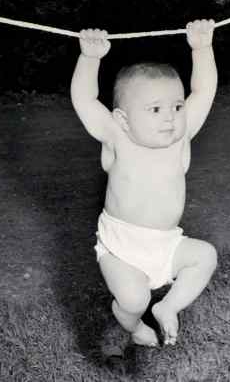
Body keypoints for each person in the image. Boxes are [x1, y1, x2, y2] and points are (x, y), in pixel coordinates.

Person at [70, 20, 218, 349]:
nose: (170, 117)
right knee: (133, 299)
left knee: (205, 256)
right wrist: (90, 58)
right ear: (123, 119)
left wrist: (202, 48)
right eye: (155, 109)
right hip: (121, 248)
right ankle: (133, 325)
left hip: (166, 243)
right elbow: (84, 99)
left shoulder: (181, 136)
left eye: (177, 107)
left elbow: (204, 91)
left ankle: (168, 306)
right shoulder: (117, 138)